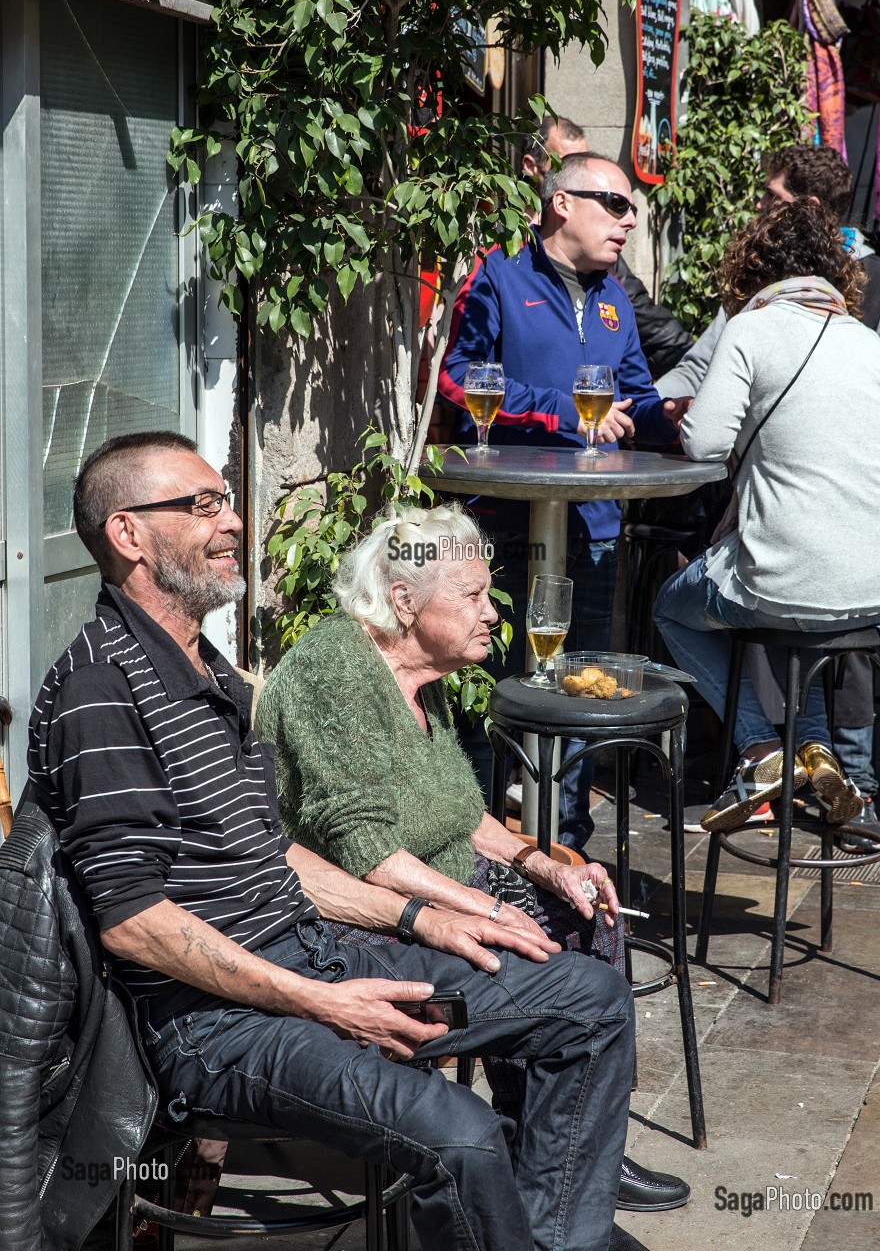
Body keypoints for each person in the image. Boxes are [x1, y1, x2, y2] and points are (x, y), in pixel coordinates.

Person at [29, 431, 640, 1251]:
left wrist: (421, 919)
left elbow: (273, 853)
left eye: (229, 501)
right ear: (128, 534)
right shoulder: (100, 690)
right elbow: (132, 919)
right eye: (202, 504)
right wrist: (321, 1003)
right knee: (455, 1132)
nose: (233, 522)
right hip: (214, 1023)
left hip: (311, 949)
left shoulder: (201, 668)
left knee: (587, 1000)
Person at [256, 500, 691, 1215]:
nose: (492, 613)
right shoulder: (336, 672)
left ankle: (569, 1144)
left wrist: (543, 863)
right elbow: (371, 857)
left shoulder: (421, 676)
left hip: (439, 881)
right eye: (472, 596)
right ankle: (554, 1159)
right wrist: (490, 910)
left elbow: (461, 816)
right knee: (545, 962)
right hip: (358, 917)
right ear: (403, 601)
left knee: (588, 909)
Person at [657, 144, 880, 846]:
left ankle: (755, 746)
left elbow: (705, 447)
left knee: (673, 607)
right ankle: (814, 755)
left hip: (788, 580)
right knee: (803, 625)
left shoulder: (748, 327)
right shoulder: (863, 343)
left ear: (751, 267)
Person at [439, 150, 682, 853]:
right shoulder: (497, 275)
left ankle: (564, 845)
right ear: (561, 203)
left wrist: (674, 413)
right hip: (502, 522)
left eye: (631, 208)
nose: (629, 220)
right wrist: (561, 413)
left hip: (593, 525)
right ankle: (478, 848)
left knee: (579, 691)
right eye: (614, 203)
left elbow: (631, 393)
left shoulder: (612, 297)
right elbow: (458, 379)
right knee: (483, 695)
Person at [522, 115, 692, 378]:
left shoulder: (611, 282)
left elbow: (644, 326)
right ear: (532, 166)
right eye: (565, 164)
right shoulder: (498, 255)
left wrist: (696, 365)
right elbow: (464, 373)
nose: (582, 170)